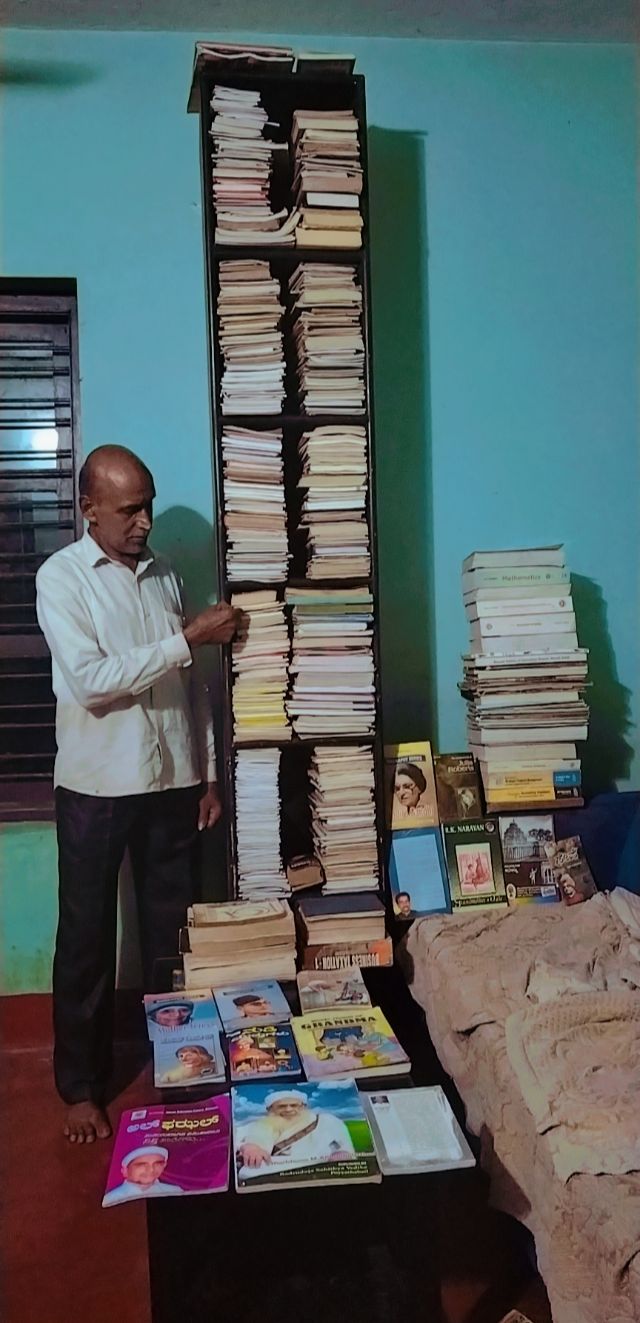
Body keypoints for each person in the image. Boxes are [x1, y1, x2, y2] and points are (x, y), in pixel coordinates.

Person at [35, 445, 240, 1144]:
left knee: (170, 938)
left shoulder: (165, 579)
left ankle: (178, 1066)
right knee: (87, 941)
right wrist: (186, 638)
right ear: (89, 508)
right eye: (129, 509)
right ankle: (80, 1088)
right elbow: (92, 680)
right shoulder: (60, 579)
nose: (145, 521)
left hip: (171, 782)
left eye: (149, 504)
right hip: (96, 786)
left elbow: (193, 688)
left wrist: (207, 773)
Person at [236, 1090, 354, 1171]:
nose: (288, 1109)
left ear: (304, 1106)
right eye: (281, 1106)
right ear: (270, 1109)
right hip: (275, 1169)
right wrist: (250, 1147)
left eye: (294, 1105)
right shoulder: (259, 1126)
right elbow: (238, 1141)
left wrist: (343, 1152)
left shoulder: (326, 1120)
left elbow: (343, 1143)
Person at [102, 1145, 176, 1205]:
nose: (151, 1169)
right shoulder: (112, 1198)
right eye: (141, 1165)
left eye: (157, 1163)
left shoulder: (174, 1190)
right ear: (125, 1171)